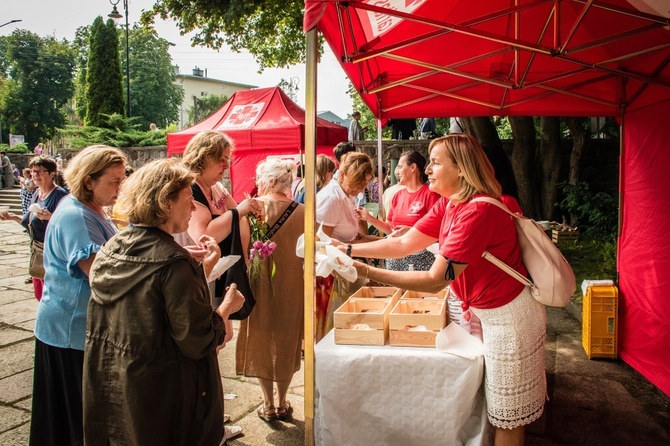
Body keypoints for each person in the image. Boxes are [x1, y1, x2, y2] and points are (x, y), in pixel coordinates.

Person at [344, 135, 546, 446]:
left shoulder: (476, 211)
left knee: (506, 413)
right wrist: (347, 248)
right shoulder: (450, 203)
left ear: (462, 169)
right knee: (487, 402)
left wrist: (367, 271)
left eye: (436, 162)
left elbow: (437, 279)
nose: (427, 170)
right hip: (483, 311)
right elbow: (403, 243)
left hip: (509, 319)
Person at [82, 158, 245, 446]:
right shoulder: (174, 263)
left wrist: (199, 268)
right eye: (187, 199)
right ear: (165, 203)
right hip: (164, 390)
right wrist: (227, 307)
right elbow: (198, 338)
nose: (194, 207)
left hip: (119, 381)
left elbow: (153, 301)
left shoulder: (114, 246)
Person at [28, 146, 126, 446]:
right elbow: (102, 275)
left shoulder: (91, 208)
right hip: (70, 332)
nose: (120, 187)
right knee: (74, 420)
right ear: (88, 181)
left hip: (76, 328)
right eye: (114, 181)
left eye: (122, 179)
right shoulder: (76, 215)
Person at [236, 158, 305, 422]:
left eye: (260, 179)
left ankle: (267, 404)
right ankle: (283, 399)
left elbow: (243, 252)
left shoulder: (252, 209)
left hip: (258, 282)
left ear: (272, 181)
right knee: (287, 338)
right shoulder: (302, 211)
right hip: (292, 283)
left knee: (262, 336)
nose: (257, 184)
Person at [181, 130, 259, 307]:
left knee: (224, 328)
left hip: (217, 271)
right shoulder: (191, 188)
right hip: (195, 274)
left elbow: (238, 217)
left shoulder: (216, 186)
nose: (225, 166)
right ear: (203, 157)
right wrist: (240, 211)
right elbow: (204, 237)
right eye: (221, 160)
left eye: (227, 160)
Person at [315, 151, 374, 340]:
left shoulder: (347, 195)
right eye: (358, 182)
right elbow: (322, 242)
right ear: (342, 174)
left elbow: (353, 236)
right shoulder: (332, 199)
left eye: (365, 183)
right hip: (332, 277)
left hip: (345, 267)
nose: (361, 187)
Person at [355, 150, 440, 271]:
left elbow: (439, 231)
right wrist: (368, 218)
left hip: (421, 260)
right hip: (394, 258)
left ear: (413, 167)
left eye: (400, 166)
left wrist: (412, 232)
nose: (397, 171)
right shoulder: (398, 195)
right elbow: (390, 229)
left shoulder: (431, 195)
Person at [0, 157, 69, 299]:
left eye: (39, 172)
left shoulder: (60, 195)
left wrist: (51, 217)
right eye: (33, 171)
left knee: (54, 297)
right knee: (40, 295)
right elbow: (31, 222)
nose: (35, 175)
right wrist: (14, 218)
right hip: (37, 252)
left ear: (51, 174)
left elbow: (70, 223)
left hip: (54, 255)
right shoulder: (37, 194)